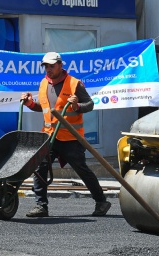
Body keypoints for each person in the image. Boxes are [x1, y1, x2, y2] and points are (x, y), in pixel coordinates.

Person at [20, 52, 111, 217]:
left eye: (51, 66)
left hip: (70, 138)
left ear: (60, 65)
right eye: (45, 66)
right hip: (49, 136)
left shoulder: (74, 83)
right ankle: (41, 206)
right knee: (40, 168)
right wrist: (29, 103)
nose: (48, 69)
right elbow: (44, 107)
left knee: (82, 170)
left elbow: (89, 105)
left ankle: (101, 201)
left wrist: (77, 106)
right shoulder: (43, 84)